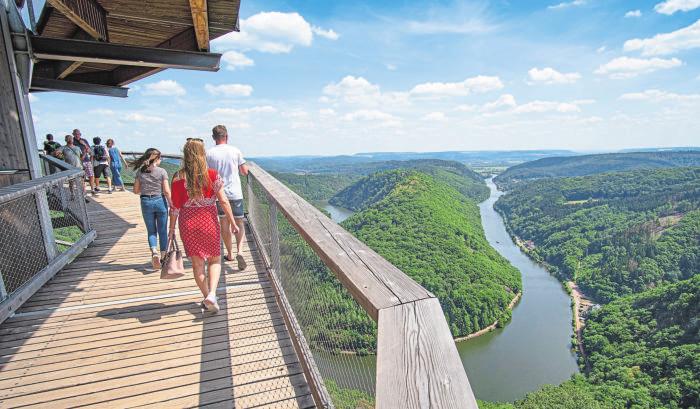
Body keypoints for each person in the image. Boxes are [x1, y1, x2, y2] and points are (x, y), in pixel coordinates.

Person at [169, 139, 237, 313]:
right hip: (208, 221)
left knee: (197, 264)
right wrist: (232, 222)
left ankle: (207, 295)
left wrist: (171, 231)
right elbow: (223, 200)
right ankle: (212, 294)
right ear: (202, 155)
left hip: (187, 223)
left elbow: (175, 207)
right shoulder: (212, 175)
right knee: (215, 259)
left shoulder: (177, 177)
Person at [206, 125, 249, 271]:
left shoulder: (209, 153)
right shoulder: (235, 151)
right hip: (235, 193)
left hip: (218, 194)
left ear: (213, 138)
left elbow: (206, 175)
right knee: (239, 222)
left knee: (224, 224)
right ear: (227, 136)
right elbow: (244, 171)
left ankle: (230, 254)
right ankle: (240, 251)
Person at [132, 149, 172, 271]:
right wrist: (171, 204)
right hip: (160, 201)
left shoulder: (141, 172)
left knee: (151, 231)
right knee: (162, 231)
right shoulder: (162, 172)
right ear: (157, 159)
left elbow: (135, 190)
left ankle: (154, 251)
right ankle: (163, 256)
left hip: (146, 201)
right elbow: (166, 191)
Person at [59, 135, 84, 201]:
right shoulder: (63, 148)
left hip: (78, 168)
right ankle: (72, 194)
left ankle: (82, 195)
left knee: (80, 182)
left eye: (71, 138)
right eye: (68, 138)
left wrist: (85, 153)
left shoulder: (77, 147)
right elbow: (56, 153)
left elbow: (81, 157)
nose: (70, 139)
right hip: (69, 168)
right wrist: (57, 154)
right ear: (66, 140)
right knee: (71, 182)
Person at [72, 129, 96, 195]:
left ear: (80, 134)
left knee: (91, 175)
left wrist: (84, 144)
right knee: (82, 177)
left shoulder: (84, 140)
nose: (77, 135)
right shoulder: (72, 141)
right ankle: (84, 191)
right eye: (76, 134)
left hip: (86, 160)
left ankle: (92, 189)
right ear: (73, 134)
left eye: (79, 134)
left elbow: (89, 151)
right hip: (78, 162)